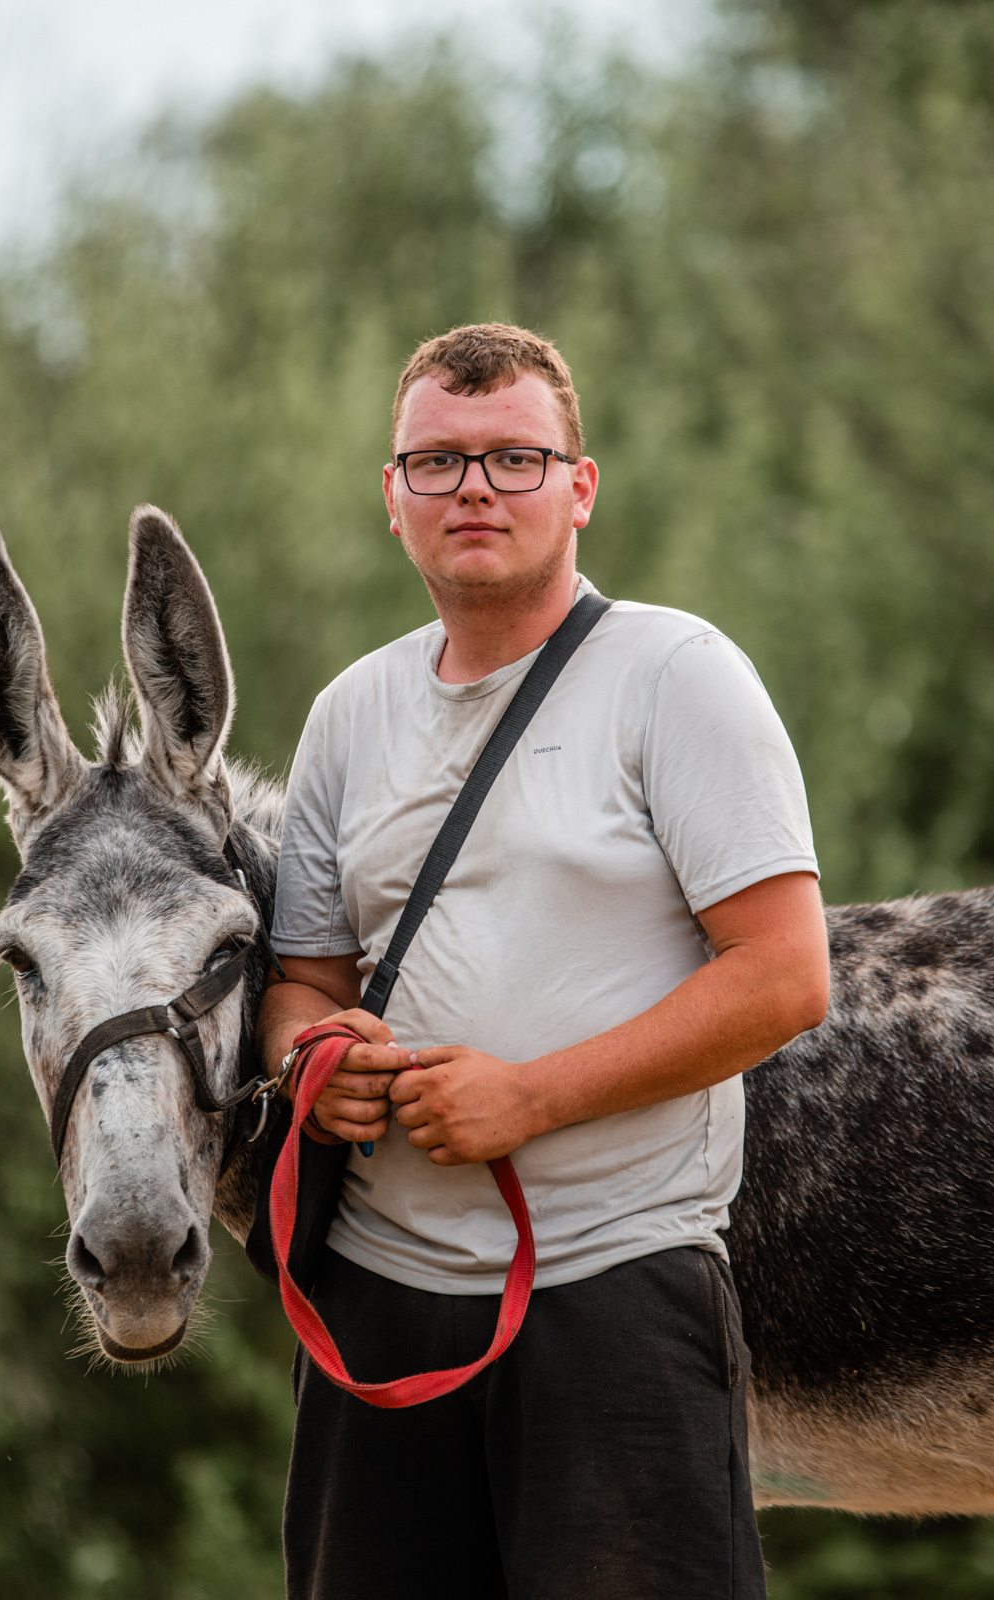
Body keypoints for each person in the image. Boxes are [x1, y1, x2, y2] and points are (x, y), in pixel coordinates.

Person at [261, 322, 831, 1599]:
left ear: (581, 487)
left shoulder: (678, 677)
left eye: (516, 458)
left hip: (616, 1293)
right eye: (438, 462)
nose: (474, 488)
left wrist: (533, 1097)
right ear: (391, 499)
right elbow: (305, 980)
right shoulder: (348, 714)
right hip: (377, 1305)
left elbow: (787, 975)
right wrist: (311, 1057)